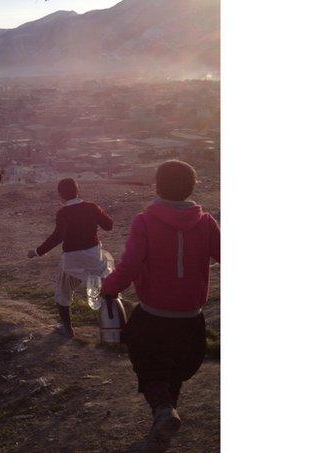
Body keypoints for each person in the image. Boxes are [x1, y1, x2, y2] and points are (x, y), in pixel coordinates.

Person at [100, 160, 220, 453]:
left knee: (150, 368)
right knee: (175, 370)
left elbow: (128, 267)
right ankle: (165, 420)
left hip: (154, 316)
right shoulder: (206, 223)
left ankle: (163, 412)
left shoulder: (145, 221)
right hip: (191, 319)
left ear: (158, 185)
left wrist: (109, 288)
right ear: (192, 187)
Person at [27, 178, 114, 337]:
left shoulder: (63, 213)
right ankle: (113, 324)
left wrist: (37, 252)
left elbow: (57, 237)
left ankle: (67, 329)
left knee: (62, 292)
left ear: (61, 195)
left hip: (72, 260)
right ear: (77, 191)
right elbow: (109, 225)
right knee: (106, 284)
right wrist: (98, 213)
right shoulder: (91, 207)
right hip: (94, 257)